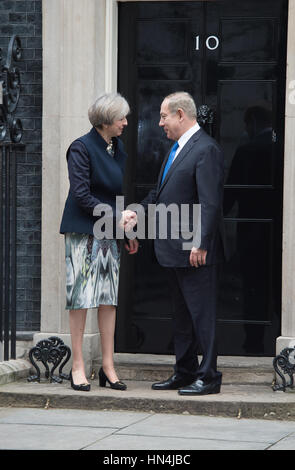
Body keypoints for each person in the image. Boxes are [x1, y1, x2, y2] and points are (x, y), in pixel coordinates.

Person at [141, 91, 226, 395]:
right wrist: (134, 214)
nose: (160, 122)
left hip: (195, 251)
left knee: (202, 315)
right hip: (173, 250)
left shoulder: (206, 149)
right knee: (181, 315)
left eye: (164, 116)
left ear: (180, 114)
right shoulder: (176, 149)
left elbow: (210, 203)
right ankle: (185, 370)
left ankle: (209, 375)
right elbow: (160, 195)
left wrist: (201, 243)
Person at [60, 93, 138, 392]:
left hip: (108, 232)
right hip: (82, 230)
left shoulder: (117, 147)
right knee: (80, 298)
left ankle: (108, 366)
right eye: (122, 118)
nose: (126, 123)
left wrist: (127, 232)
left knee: (108, 299)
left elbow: (117, 194)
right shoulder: (81, 147)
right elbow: (81, 195)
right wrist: (116, 217)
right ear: (106, 120)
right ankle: (78, 366)